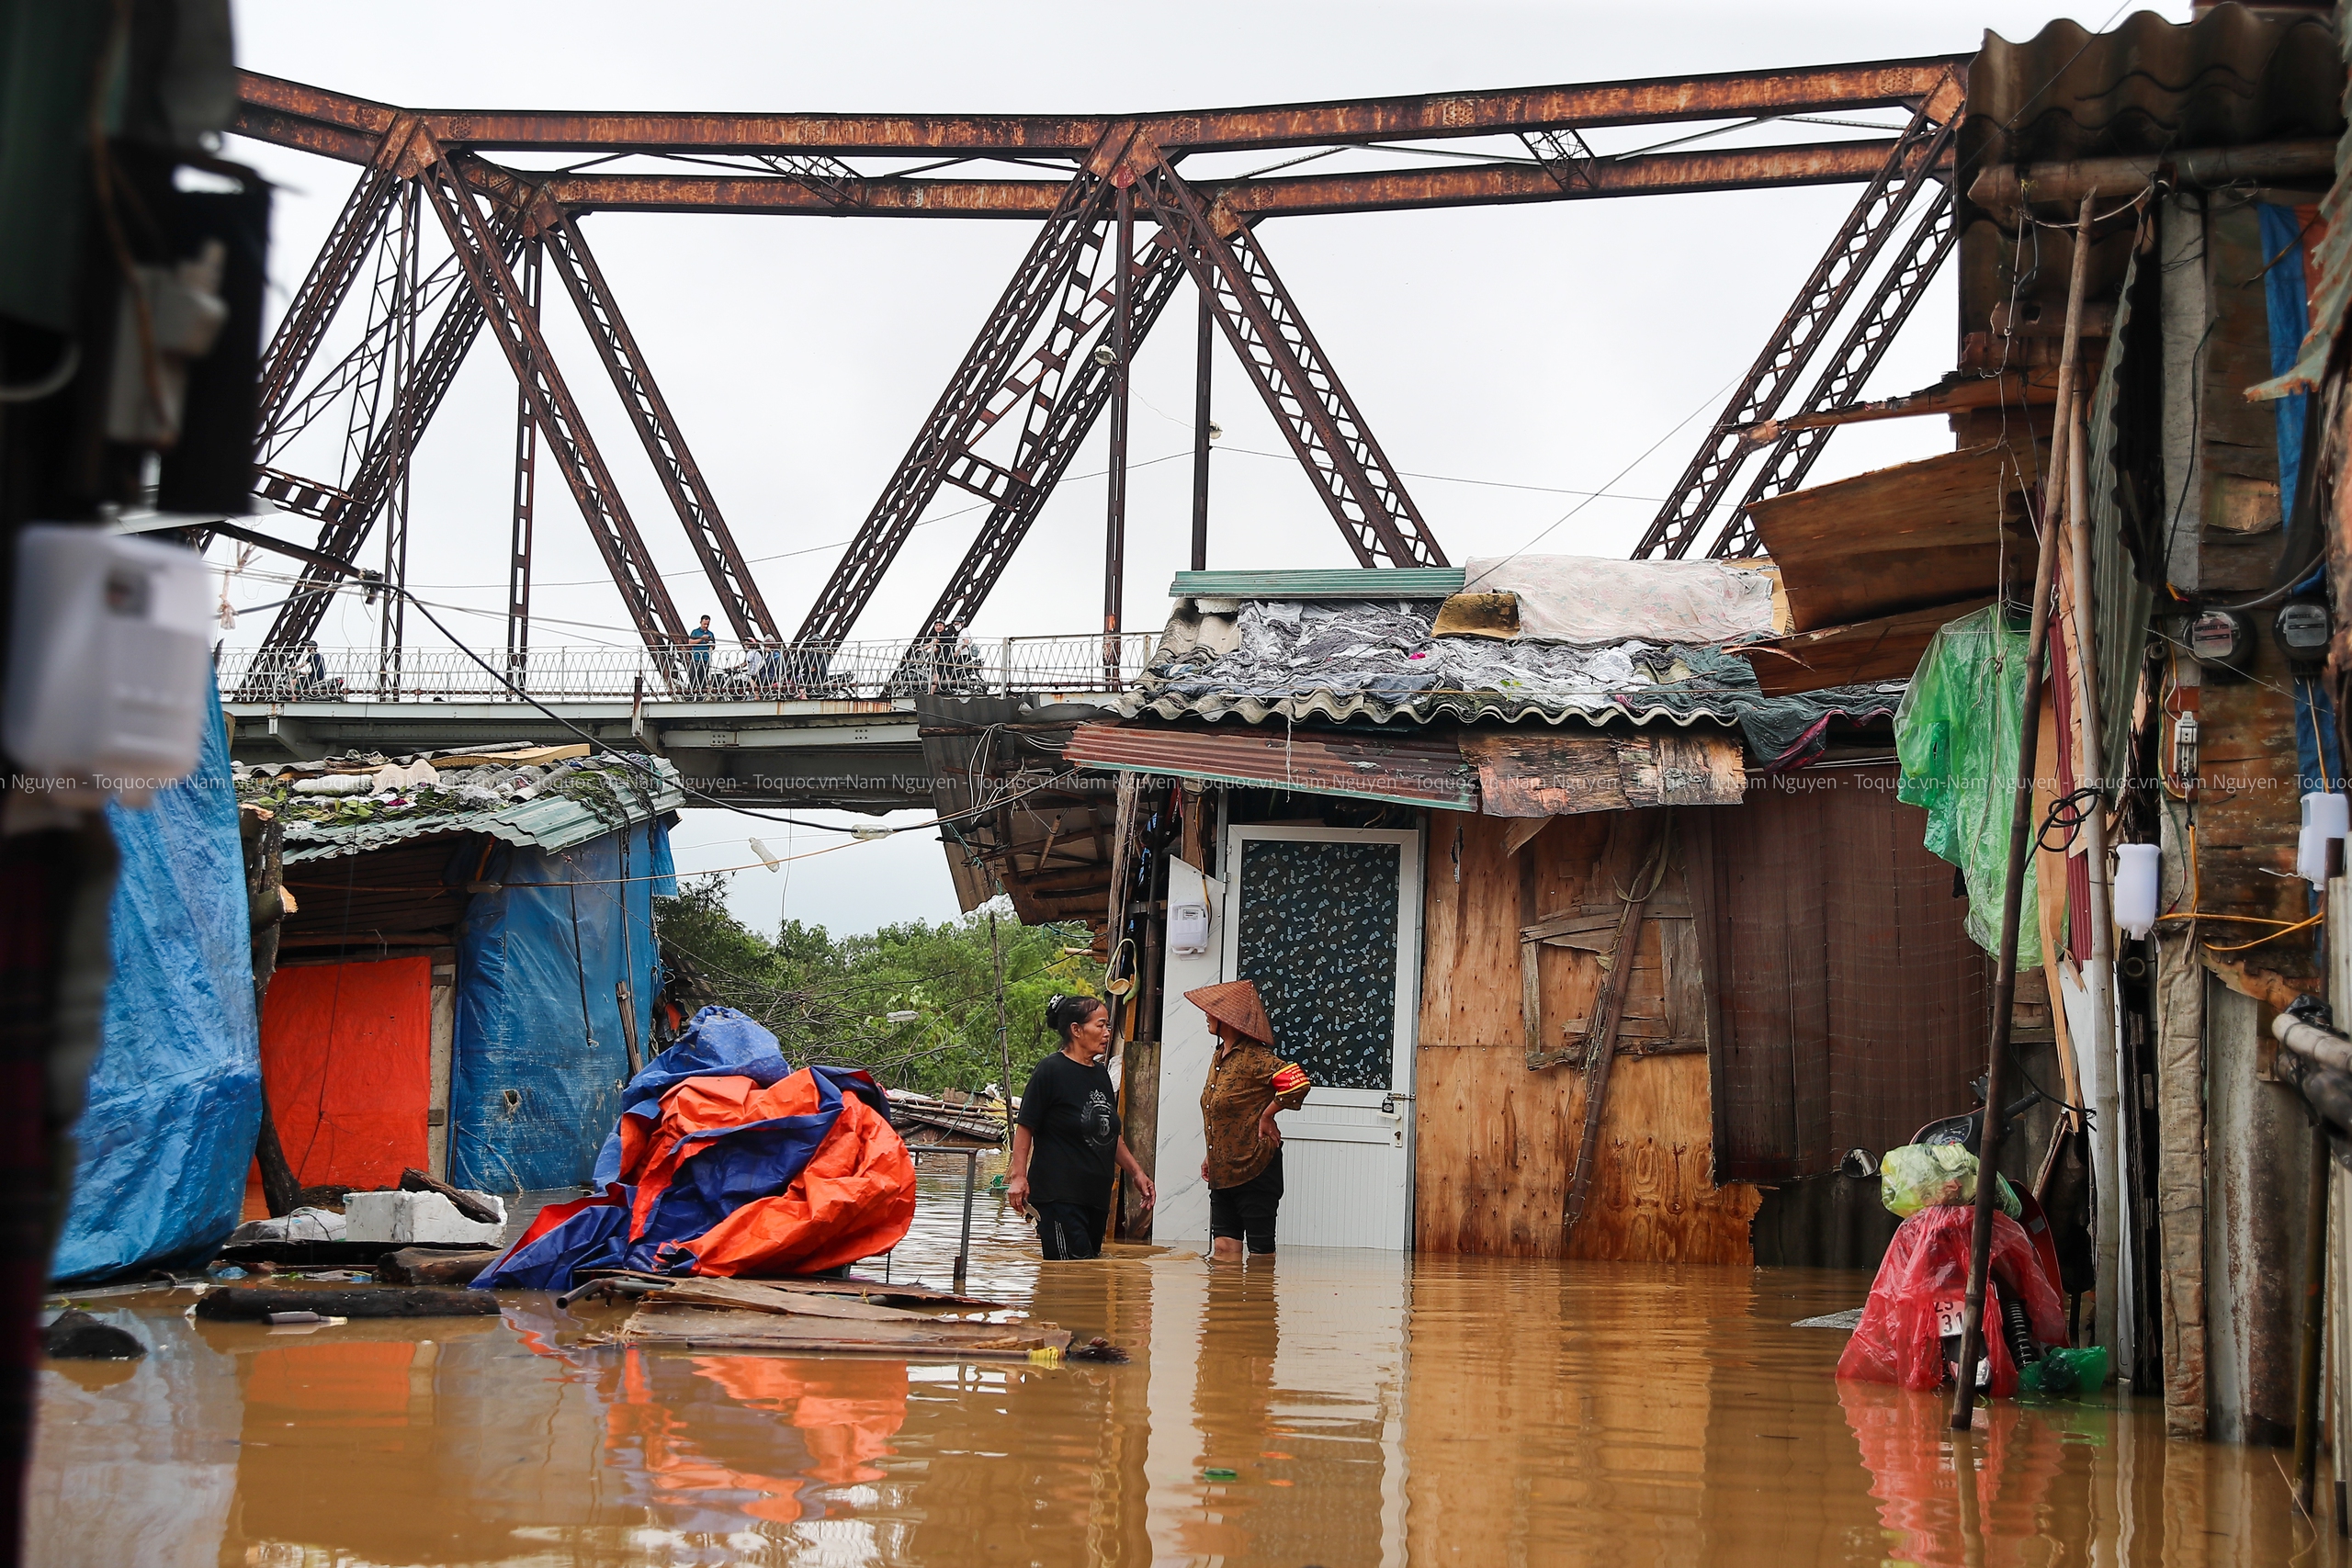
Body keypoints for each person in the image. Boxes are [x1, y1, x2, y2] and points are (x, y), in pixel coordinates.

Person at [1006, 994, 1154, 1259]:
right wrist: (1019, 1177)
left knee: (1088, 1279)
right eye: (1100, 1025)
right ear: (1076, 1030)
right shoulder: (1050, 1070)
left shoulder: (1100, 1075)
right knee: (1068, 1276)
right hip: (1059, 1195)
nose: (1107, 1032)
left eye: (1108, 1025)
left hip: (1095, 1196)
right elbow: (1026, 1126)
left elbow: (1109, 1134)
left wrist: (1137, 1173)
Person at [1185, 980, 1309, 1262]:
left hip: (1256, 1167)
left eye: (1212, 1012)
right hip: (1222, 1171)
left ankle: (1260, 1304)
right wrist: (1210, 1155)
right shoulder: (1220, 1057)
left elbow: (1297, 1081)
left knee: (1260, 1254)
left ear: (1228, 1020)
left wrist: (1269, 1114)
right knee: (1224, 1251)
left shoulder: (1255, 1058)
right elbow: (1221, 1112)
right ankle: (1223, 1305)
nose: (1207, 1015)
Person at [686, 615, 716, 690]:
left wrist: (710, 644)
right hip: (696, 657)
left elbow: (713, 646)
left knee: (703, 677)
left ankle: (701, 693)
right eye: (704, 624)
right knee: (693, 676)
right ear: (700, 622)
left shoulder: (710, 633)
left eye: (707, 624)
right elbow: (690, 643)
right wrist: (702, 638)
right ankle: (691, 692)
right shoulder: (695, 632)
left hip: (706, 658)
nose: (706, 626)